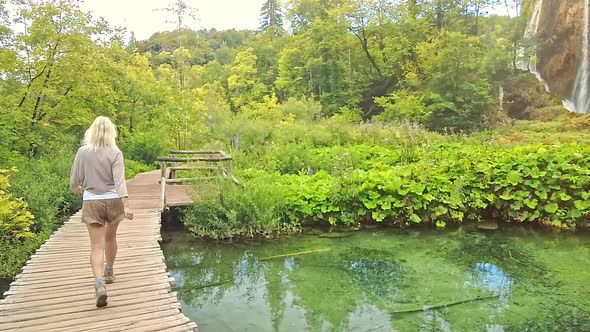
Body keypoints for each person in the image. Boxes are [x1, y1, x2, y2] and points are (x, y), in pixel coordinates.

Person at [69, 116, 134, 308]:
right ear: (110, 132)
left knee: (96, 246)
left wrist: (78, 190)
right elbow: (120, 182)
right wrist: (126, 205)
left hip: (92, 201)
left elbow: (74, 181)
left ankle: (99, 284)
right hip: (113, 200)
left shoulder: (83, 152)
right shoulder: (115, 153)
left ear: (92, 131)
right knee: (110, 238)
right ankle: (109, 271)